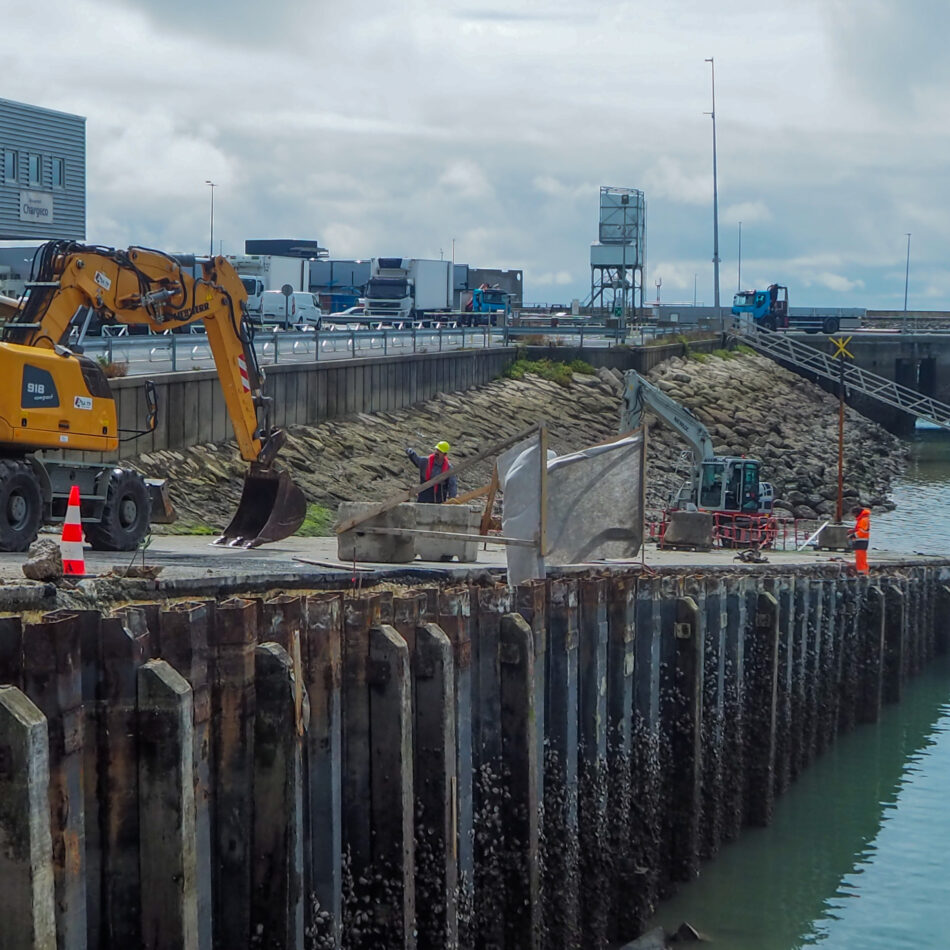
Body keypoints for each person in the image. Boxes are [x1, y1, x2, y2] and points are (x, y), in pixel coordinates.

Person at [848, 504, 870, 574]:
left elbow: (862, 531)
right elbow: (861, 529)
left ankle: (862, 573)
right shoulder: (863, 519)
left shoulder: (863, 520)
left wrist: (852, 535)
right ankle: (864, 572)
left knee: (860, 559)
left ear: (857, 513)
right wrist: (853, 530)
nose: (853, 516)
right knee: (861, 558)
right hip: (861, 541)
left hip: (861, 541)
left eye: (853, 514)